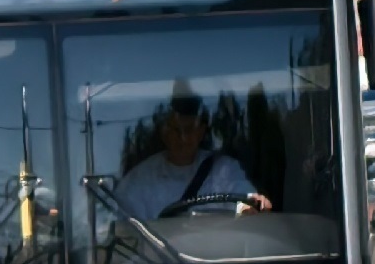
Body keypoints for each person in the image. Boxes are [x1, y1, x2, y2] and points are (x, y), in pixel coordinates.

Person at [115, 90, 268, 217]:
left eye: (189, 130)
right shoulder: (139, 180)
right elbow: (123, 230)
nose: (183, 138)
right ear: (164, 133)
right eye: (176, 131)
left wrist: (252, 205)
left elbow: (245, 199)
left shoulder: (224, 170)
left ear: (201, 132)